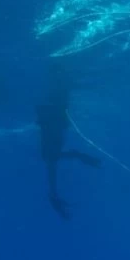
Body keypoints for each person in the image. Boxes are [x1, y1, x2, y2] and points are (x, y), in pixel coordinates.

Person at [36, 61, 102, 221]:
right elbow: (62, 159)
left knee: (61, 92)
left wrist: (82, 157)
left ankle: (57, 68)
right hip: (55, 118)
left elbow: (61, 160)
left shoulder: (49, 156)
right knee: (62, 92)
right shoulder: (49, 156)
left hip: (55, 117)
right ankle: (58, 69)